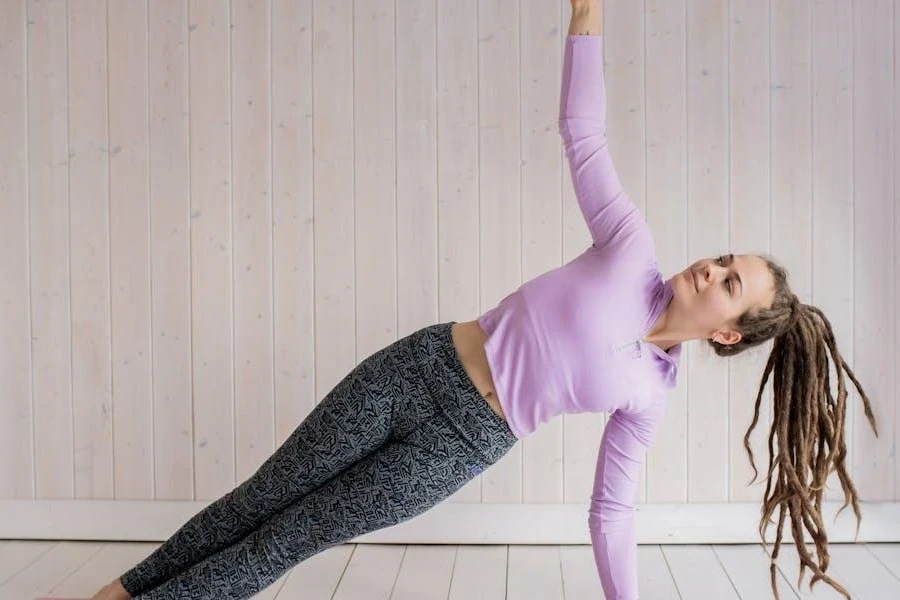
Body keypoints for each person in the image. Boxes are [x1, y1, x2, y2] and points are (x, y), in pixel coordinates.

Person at [92, 1, 877, 599]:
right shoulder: (630, 248)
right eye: (723, 258)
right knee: (261, 498)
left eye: (729, 283)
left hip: (461, 446)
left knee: (285, 541)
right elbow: (583, 132)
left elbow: (612, 512)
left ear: (730, 335)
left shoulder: (650, 396)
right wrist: (586, 17)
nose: (710, 269)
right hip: (417, 366)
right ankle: (119, 592)